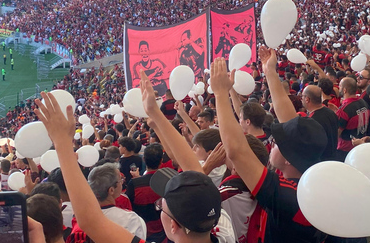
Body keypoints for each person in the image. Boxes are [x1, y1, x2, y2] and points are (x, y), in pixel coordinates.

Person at [34, 91, 231, 243]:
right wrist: (156, 116)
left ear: (173, 225)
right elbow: (197, 180)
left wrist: (61, 142)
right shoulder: (223, 229)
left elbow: (91, 221)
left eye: (161, 206)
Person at [211, 53, 327, 242]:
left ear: (289, 159)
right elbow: (288, 118)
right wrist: (270, 72)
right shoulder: (309, 169)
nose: (273, 145)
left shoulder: (287, 195)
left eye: (278, 144)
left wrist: (220, 94)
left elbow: (237, 152)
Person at [86, 164, 147, 240]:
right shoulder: (130, 218)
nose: (122, 182)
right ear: (111, 190)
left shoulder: (82, 218)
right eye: (120, 180)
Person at [125, 143, 165, 242]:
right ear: (161, 161)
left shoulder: (135, 184)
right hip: (165, 232)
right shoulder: (168, 180)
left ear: (144, 159)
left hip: (142, 231)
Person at [335, 76, 370, 161]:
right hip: (360, 146)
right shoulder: (364, 103)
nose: (338, 88)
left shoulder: (344, 110)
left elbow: (336, 134)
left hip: (345, 150)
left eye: (340, 86)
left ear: (344, 90)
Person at [301, 85, 339, 161]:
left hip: (321, 161)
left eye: (302, 96)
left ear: (307, 99)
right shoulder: (331, 112)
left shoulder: (312, 121)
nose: (301, 98)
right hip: (334, 157)